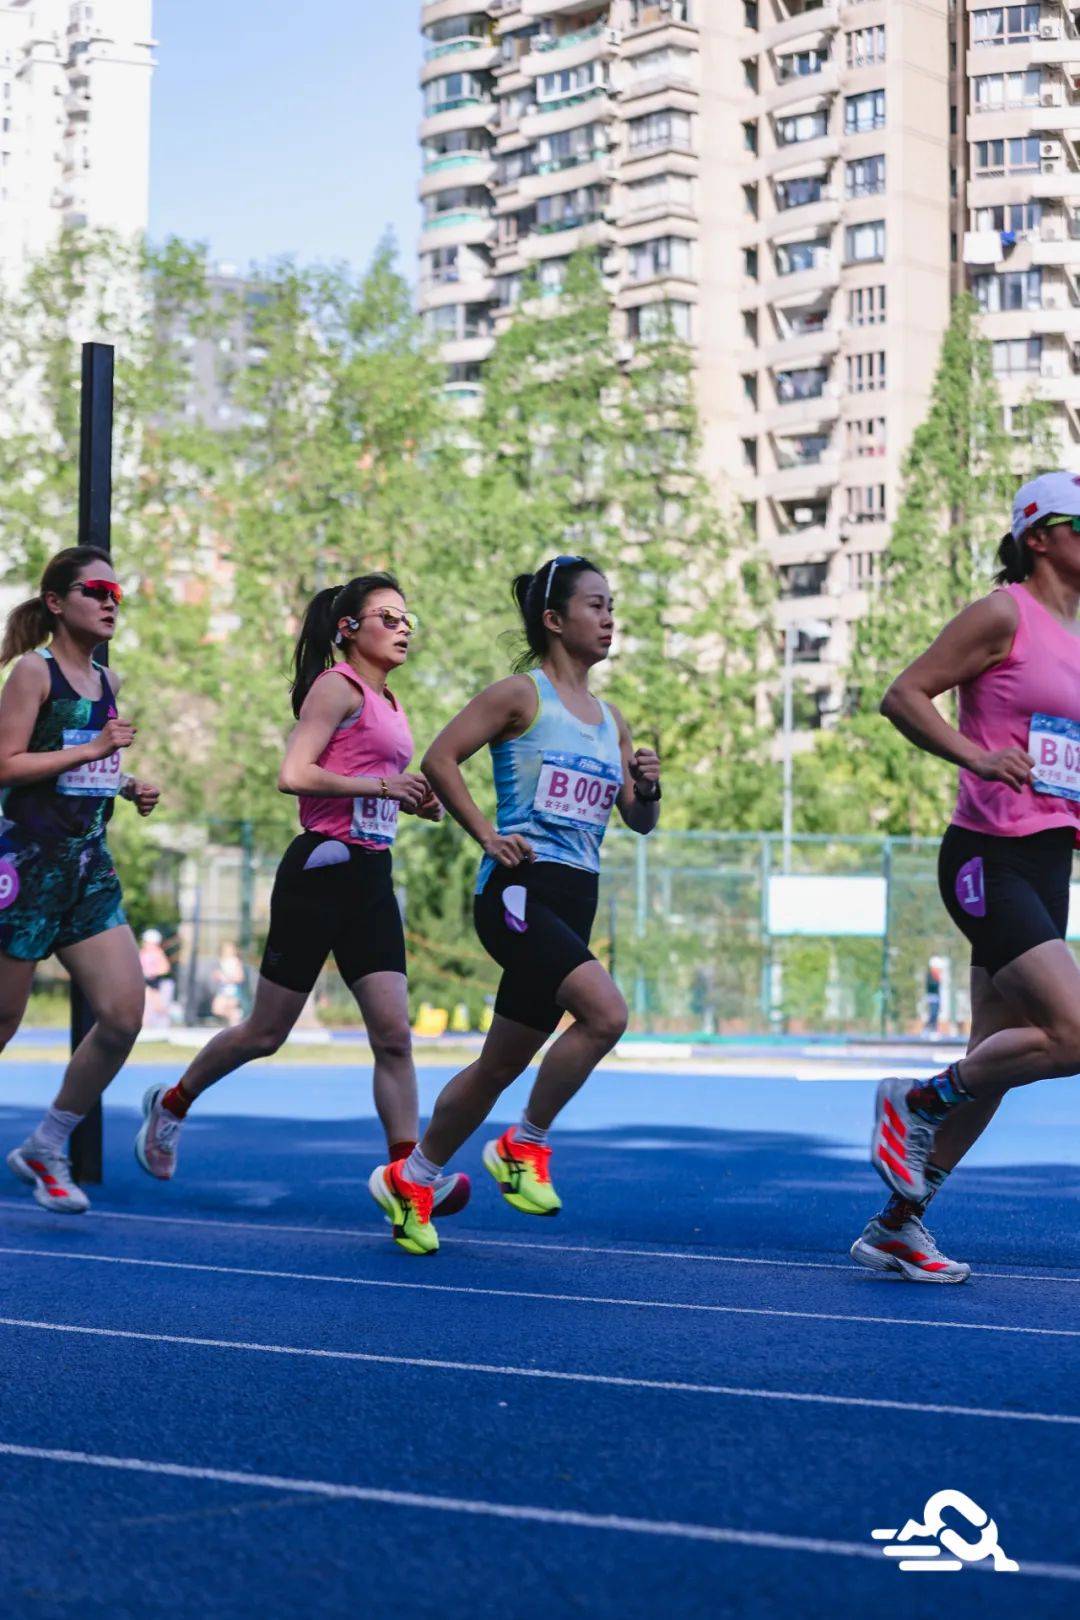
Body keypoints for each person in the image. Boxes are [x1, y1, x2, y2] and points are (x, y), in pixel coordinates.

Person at [133, 571, 469, 1217]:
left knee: (394, 1035)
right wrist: (380, 789)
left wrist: (411, 799)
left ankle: (407, 1178)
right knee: (265, 1033)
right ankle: (171, 1103)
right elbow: (294, 774)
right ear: (349, 628)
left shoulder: (390, 701)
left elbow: (374, 777)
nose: (403, 630)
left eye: (408, 620)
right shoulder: (334, 686)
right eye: (389, 618)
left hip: (370, 872)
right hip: (319, 871)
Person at [368, 554, 661, 1255]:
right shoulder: (520, 696)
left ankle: (413, 1178)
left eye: (612, 604)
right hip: (518, 891)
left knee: (499, 1064)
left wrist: (647, 787)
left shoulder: (610, 721)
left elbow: (639, 821)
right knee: (606, 1014)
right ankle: (521, 1145)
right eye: (596, 604)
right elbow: (439, 758)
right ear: (555, 620)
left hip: (574, 896)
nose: (610, 617)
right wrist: (488, 834)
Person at [852, 471, 1080, 1284]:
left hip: (1050, 859)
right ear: (1038, 536)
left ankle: (897, 1227)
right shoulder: (1002, 611)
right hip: (989, 853)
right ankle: (914, 1102)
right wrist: (976, 755)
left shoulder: (1078, 632)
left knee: (997, 1056)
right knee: (1074, 1032)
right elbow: (902, 694)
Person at [0, 546, 160, 1213]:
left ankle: (48, 1142)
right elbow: (7, 765)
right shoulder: (31, 674)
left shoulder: (107, 679)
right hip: (29, 863)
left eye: (117, 594)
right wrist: (98, 750)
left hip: (89, 867)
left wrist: (124, 783)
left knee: (124, 1016)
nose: (110, 602)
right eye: (96, 590)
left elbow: (76, 769)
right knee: (3, 1021)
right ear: (58, 602)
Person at [140, 927, 174, 1029]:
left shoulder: (158, 953)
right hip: (144, 981)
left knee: (157, 1006)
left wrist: (152, 973)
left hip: (154, 981)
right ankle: (144, 1026)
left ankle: (166, 1021)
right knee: (145, 1004)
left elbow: (165, 968)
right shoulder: (143, 952)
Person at [210, 940, 245, 1026]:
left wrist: (227, 978)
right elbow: (216, 975)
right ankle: (236, 1016)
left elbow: (240, 978)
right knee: (217, 1009)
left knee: (231, 1009)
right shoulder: (221, 961)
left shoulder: (236, 961)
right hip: (223, 990)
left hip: (233, 990)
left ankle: (235, 1029)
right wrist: (218, 976)